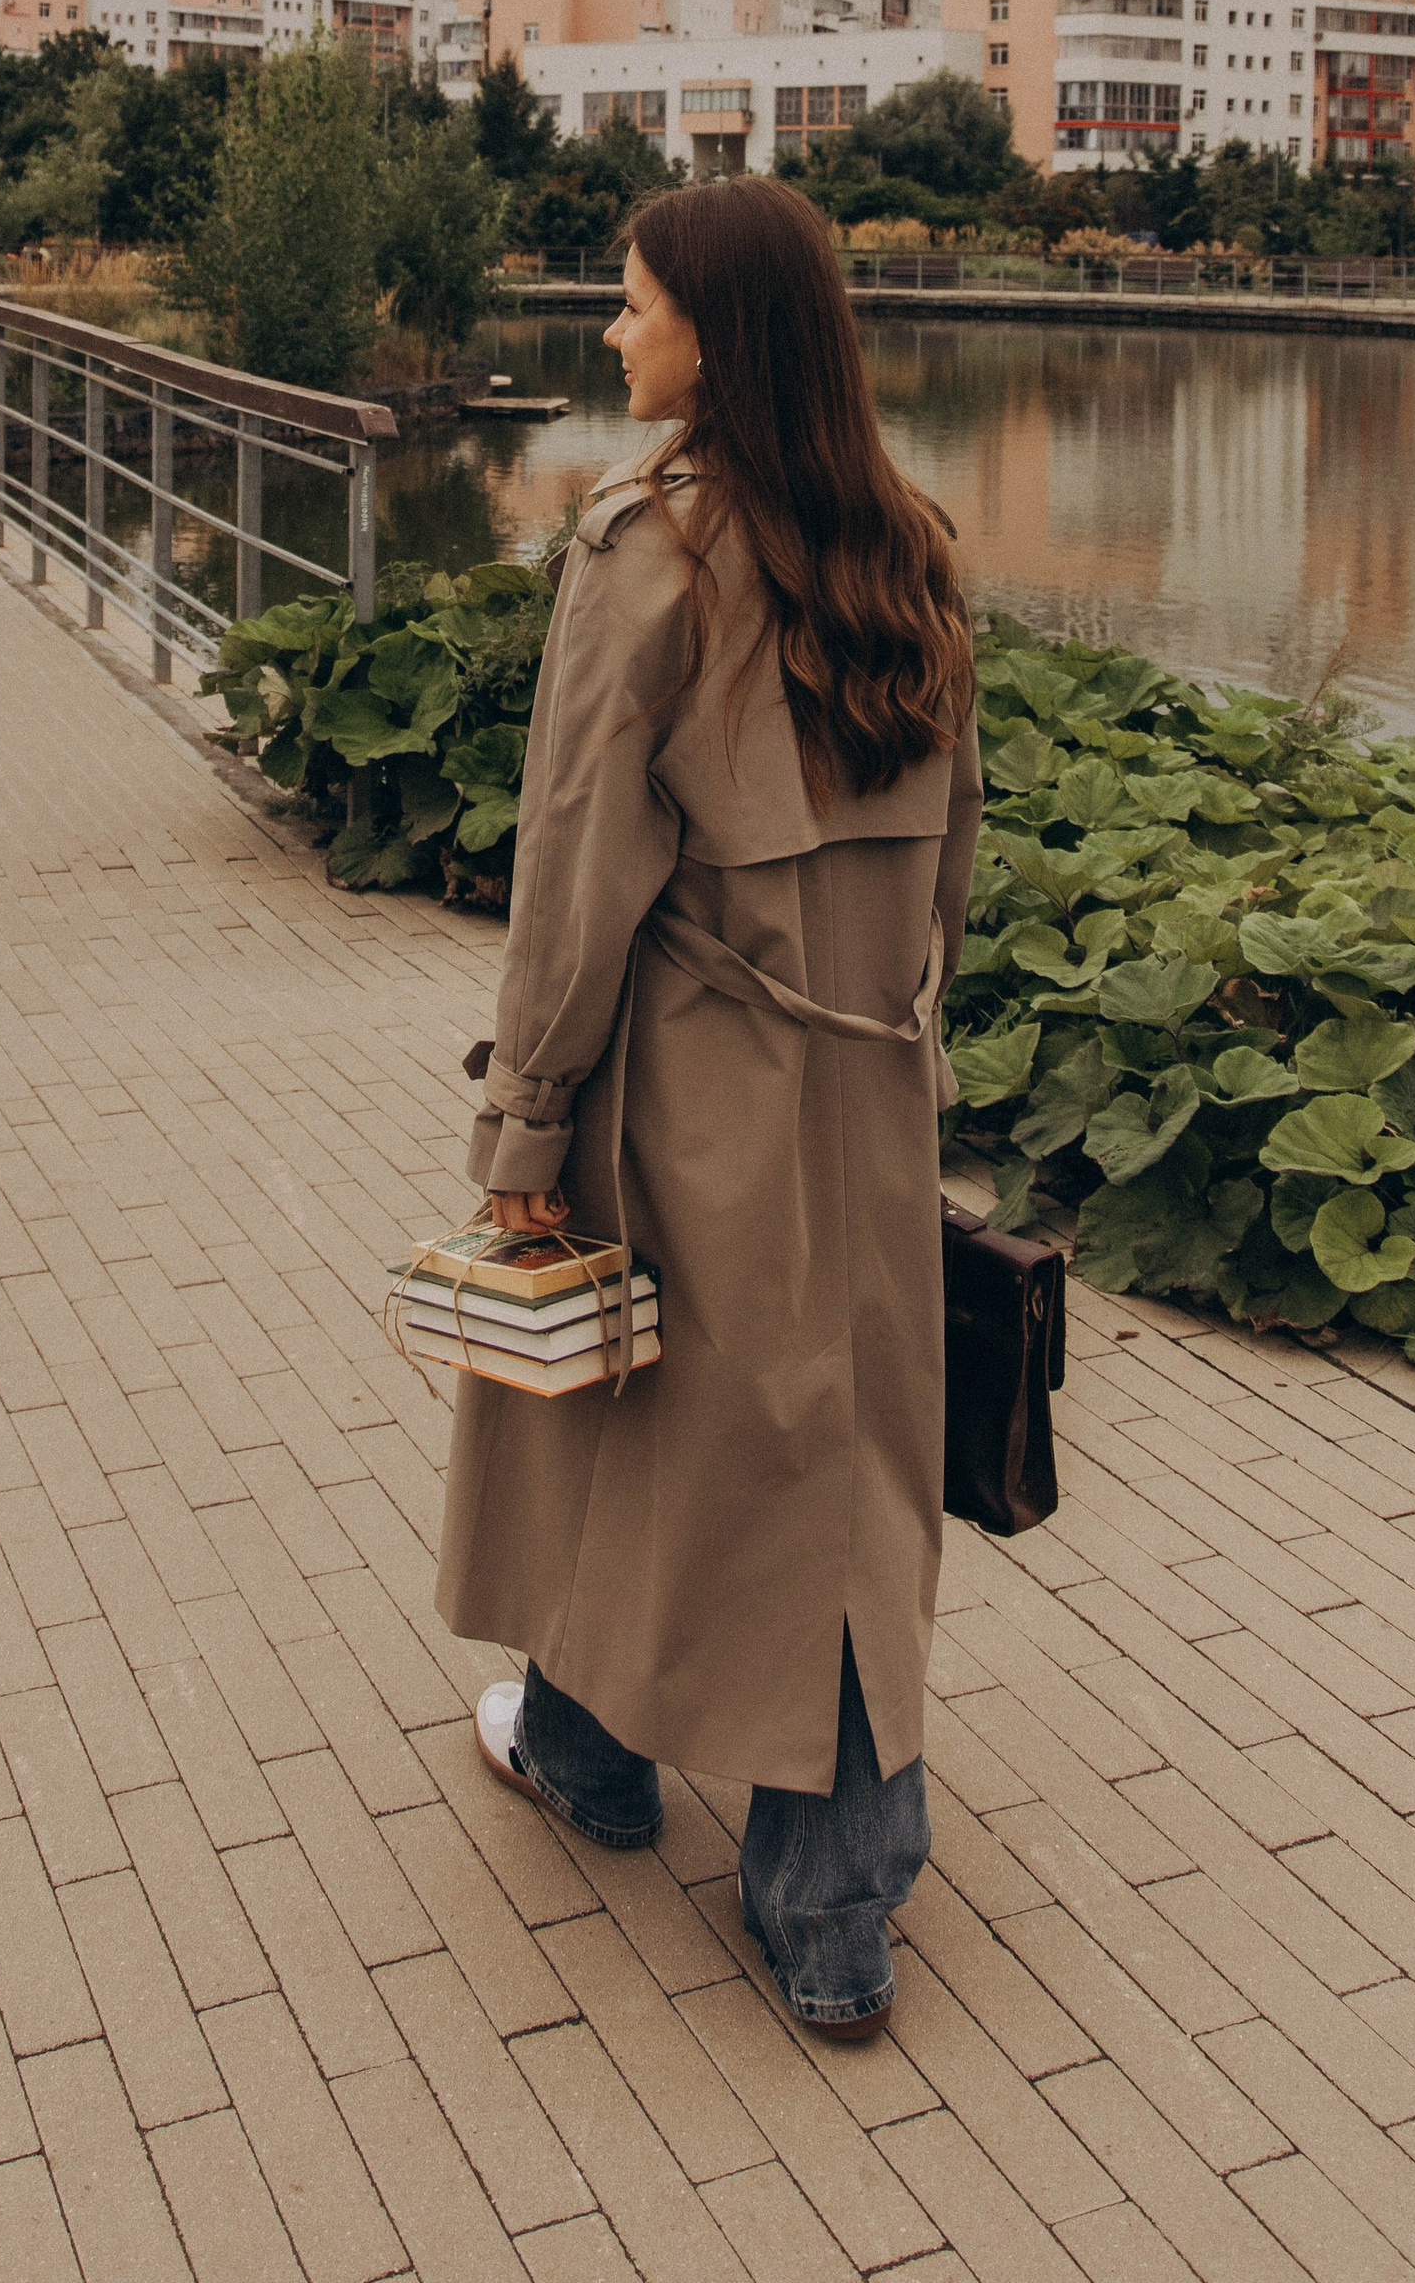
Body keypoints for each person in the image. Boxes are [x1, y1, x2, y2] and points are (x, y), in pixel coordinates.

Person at [438, 174, 983, 2041]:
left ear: (716, 332)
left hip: (695, 1083)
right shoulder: (905, 541)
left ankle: (825, 1911)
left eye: (632, 297)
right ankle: (611, 1766)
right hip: (871, 1078)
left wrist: (524, 1134)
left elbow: (576, 871)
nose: (612, 329)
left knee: (667, 1409)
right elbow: (955, 865)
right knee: (811, 1443)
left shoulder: (648, 551)